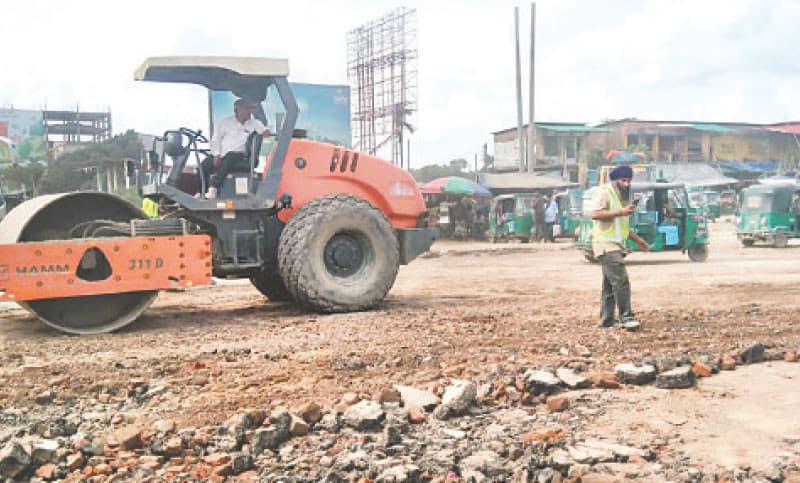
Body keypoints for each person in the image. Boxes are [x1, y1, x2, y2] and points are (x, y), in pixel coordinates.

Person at [591, 165, 650, 330]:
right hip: (605, 245)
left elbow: (623, 226)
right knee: (621, 281)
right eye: (623, 180)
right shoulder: (605, 192)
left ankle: (607, 319)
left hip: (615, 246)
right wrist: (621, 212)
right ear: (616, 180)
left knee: (609, 285)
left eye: (629, 181)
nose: (626, 184)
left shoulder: (621, 198)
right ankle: (626, 317)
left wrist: (639, 241)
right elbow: (595, 214)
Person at [200, 98, 271, 198]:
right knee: (204, 165)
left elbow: (264, 132)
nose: (249, 112)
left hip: (239, 155)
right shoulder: (225, 122)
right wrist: (216, 155)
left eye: (251, 109)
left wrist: (265, 132)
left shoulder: (255, 123)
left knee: (230, 157)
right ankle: (201, 193)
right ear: (237, 109)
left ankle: (214, 187)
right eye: (247, 109)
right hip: (221, 155)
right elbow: (216, 139)